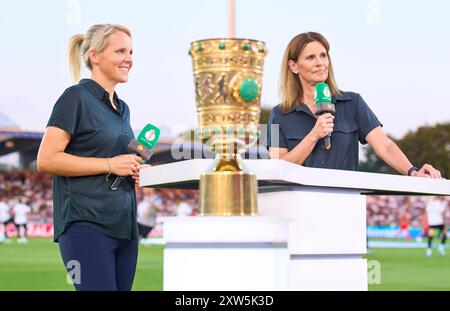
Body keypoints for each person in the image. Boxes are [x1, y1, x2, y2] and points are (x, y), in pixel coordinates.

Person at [37, 24, 147, 291]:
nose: (129, 58)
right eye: (120, 50)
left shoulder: (123, 109)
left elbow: (119, 164)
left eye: (131, 51)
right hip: (86, 226)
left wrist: (134, 170)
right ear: (94, 56)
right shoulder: (75, 97)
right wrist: (110, 164)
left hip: (126, 229)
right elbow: (47, 159)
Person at [267, 32, 443, 179]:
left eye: (323, 55)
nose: (320, 62)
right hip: (298, 205)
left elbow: (384, 145)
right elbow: (276, 167)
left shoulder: (353, 102)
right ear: (294, 66)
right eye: (310, 57)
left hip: (346, 204)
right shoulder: (277, 114)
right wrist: (314, 135)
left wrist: (413, 171)